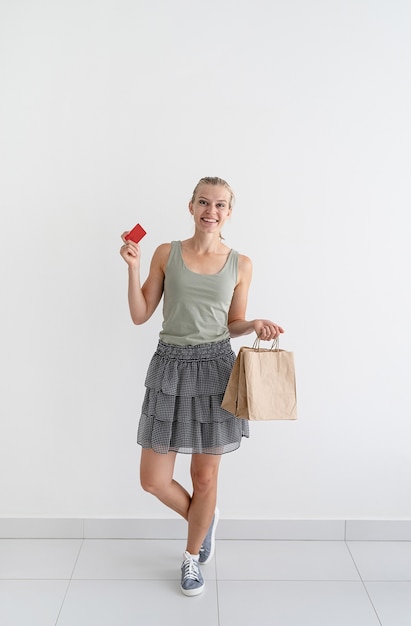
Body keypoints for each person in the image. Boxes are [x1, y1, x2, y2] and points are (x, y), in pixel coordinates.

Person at [120, 176, 284, 596]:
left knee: (205, 478)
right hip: (169, 367)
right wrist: (134, 267)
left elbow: (233, 323)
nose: (212, 211)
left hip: (215, 368)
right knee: (153, 479)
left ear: (230, 212)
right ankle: (204, 520)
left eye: (221, 205)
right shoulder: (165, 253)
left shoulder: (240, 263)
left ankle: (191, 556)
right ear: (191, 206)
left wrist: (254, 325)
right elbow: (141, 315)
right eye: (204, 202)